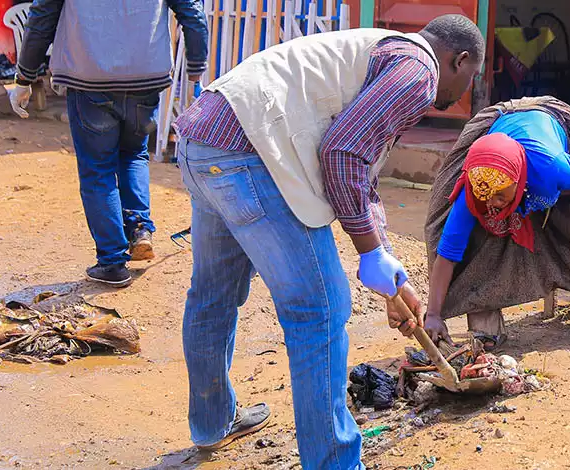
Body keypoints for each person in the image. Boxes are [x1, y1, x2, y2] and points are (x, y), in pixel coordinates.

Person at [171, 15, 484, 467]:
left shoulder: (382, 49)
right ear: (460, 60)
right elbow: (341, 153)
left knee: (213, 295)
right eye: (471, 79)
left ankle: (212, 422)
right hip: (247, 154)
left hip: (204, 139)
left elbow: (361, 173)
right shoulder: (419, 71)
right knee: (319, 310)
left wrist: (389, 270)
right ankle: (335, 462)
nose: (464, 91)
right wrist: (369, 252)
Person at [6, 0, 208, 287]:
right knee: (134, 154)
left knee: (97, 170)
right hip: (146, 77)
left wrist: (24, 77)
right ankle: (139, 229)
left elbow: (41, 16)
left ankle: (112, 262)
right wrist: (195, 71)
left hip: (89, 79)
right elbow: (192, 11)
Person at [423, 96, 570, 351]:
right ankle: (486, 328)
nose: (493, 203)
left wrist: (554, 196)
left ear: (519, 180)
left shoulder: (554, 168)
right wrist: (433, 315)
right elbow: (448, 253)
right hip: (501, 136)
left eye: (501, 196)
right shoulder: (474, 191)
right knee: (476, 242)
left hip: (548, 138)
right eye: (486, 198)